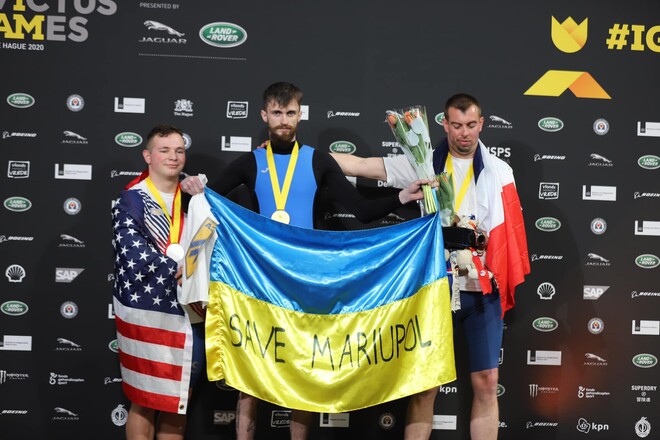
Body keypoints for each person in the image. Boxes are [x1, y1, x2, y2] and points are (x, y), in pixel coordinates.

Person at [179, 81, 433, 440]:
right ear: (264, 115)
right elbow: (204, 202)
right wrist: (192, 191)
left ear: (301, 114)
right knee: (250, 377)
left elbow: (360, 210)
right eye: (277, 113)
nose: (284, 120)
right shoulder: (250, 163)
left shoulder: (318, 160)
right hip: (261, 280)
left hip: (306, 280)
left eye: (290, 113)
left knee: (306, 373)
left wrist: (402, 197)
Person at [332, 93, 530, 440]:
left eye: (471, 125)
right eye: (457, 125)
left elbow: (508, 235)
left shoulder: (500, 172)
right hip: (435, 287)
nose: (464, 133)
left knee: (487, 381)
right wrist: (298, 154)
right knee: (426, 385)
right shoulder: (422, 164)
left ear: (482, 124)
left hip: (481, 288)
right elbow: (360, 166)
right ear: (445, 124)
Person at [111, 124, 206, 440]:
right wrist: (180, 269)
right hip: (149, 315)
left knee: (179, 402)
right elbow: (132, 252)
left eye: (179, 150)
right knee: (144, 401)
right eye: (164, 150)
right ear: (147, 156)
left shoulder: (196, 197)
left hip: (191, 313)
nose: (173, 157)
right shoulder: (132, 199)